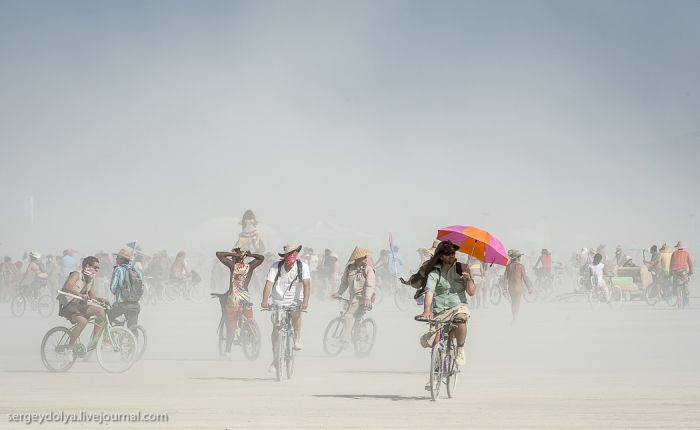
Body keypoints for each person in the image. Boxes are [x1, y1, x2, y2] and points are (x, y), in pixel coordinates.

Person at [417, 240, 475, 366]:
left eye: (453, 253)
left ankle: (460, 348)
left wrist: (469, 279)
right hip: (440, 310)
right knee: (435, 340)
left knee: (461, 320)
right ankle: (437, 366)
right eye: (448, 253)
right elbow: (430, 292)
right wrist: (427, 310)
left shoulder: (462, 268)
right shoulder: (435, 273)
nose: (452, 255)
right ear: (441, 256)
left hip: (458, 307)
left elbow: (471, 292)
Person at [261, 244, 310, 370]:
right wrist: (264, 301)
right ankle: (275, 360)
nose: (292, 255)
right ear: (284, 255)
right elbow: (269, 284)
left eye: (294, 252)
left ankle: (297, 337)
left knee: (296, 315)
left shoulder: (302, 266)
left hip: (295, 300)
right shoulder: (276, 266)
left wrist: (305, 302)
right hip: (278, 301)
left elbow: (306, 285)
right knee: (276, 328)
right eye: (289, 253)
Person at [215, 247, 264, 358]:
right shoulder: (249, 266)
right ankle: (250, 333)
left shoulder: (233, 266)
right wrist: (250, 255)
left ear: (234, 258)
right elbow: (261, 258)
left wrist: (233, 254)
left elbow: (219, 254)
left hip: (234, 298)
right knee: (249, 319)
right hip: (245, 297)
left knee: (231, 325)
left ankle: (227, 351)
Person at [58, 256, 107, 352]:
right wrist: (79, 294)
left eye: (98, 268)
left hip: (79, 306)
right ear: (87, 266)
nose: (97, 270)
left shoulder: (90, 279)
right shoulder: (77, 274)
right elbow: (68, 286)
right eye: (95, 267)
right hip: (68, 305)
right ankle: (71, 346)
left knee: (98, 313)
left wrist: (101, 300)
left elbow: (92, 295)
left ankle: (93, 341)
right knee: (90, 317)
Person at [331, 247, 375, 346]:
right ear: (357, 258)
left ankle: (345, 340)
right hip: (352, 297)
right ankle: (357, 333)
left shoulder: (368, 269)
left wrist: (367, 297)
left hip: (363, 298)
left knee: (348, 315)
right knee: (353, 316)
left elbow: (370, 285)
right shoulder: (349, 268)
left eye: (365, 257)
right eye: (362, 257)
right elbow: (344, 283)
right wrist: (339, 293)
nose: (364, 259)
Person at [107, 249, 143, 331]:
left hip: (122, 304)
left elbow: (112, 288)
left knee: (108, 316)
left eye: (117, 258)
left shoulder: (119, 270)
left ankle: (109, 339)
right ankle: (133, 342)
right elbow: (141, 286)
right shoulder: (136, 271)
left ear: (122, 259)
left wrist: (118, 293)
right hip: (135, 304)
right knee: (133, 326)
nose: (116, 259)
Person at [504, 250, 532, 323]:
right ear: (517, 257)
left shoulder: (508, 266)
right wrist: (529, 288)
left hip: (511, 288)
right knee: (517, 302)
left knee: (513, 302)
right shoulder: (521, 266)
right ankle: (515, 318)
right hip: (518, 288)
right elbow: (525, 278)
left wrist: (504, 289)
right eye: (520, 256)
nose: (520, 258)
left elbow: (505, 278)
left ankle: (514, 317)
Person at [669, 241, 694, 306]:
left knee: (675, 284)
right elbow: (690, 264)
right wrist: (691, 272)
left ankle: (675, 293)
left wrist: (670, 273)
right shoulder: (686, 253)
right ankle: (686, 299)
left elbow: (671, 264)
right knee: (685, 284)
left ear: (677, 247)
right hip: (683, 272)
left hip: (675, 272)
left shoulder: (674, 253)